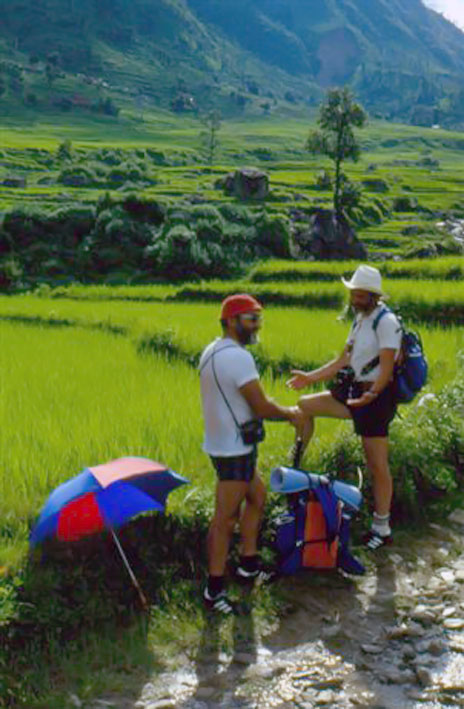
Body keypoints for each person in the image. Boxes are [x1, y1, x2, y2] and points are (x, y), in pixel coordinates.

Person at [199, 293, 304, 614]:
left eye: (259, 317)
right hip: (235, 450)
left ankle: (248, 564)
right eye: (250, 318)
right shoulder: (239, 358)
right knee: (224, 518)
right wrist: (291, 414)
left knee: (257, 497)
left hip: (224, 444)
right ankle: (213, 589)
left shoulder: (211, 350)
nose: (256, 325)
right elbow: (260, 405)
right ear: (231, 321)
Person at [287, 265, 402, 550]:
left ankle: (382, 527)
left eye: (358, 294)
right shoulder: (361, 320)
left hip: (376, 400)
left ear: (371, 295)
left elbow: (387, 366)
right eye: (352, 293)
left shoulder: (386, 322)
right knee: (304, 405)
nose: (352, 298)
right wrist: (309, 377)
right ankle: (297, 460)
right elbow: (342, 361)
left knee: (377, 464)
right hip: (354, 393)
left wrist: (372, 394)